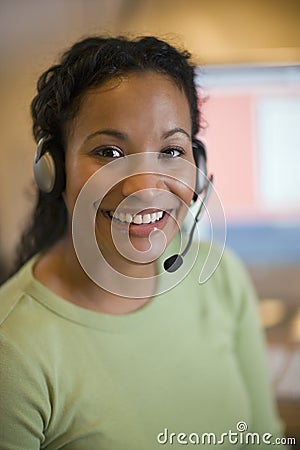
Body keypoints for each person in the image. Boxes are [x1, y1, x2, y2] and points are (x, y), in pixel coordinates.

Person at [0, 36, 284, 449]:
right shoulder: (14, 353)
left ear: (197, 164)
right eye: (110, 152)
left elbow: (263, 440)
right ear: (54, 170)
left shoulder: (221, 278)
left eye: (171, 151)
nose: (146, 187)